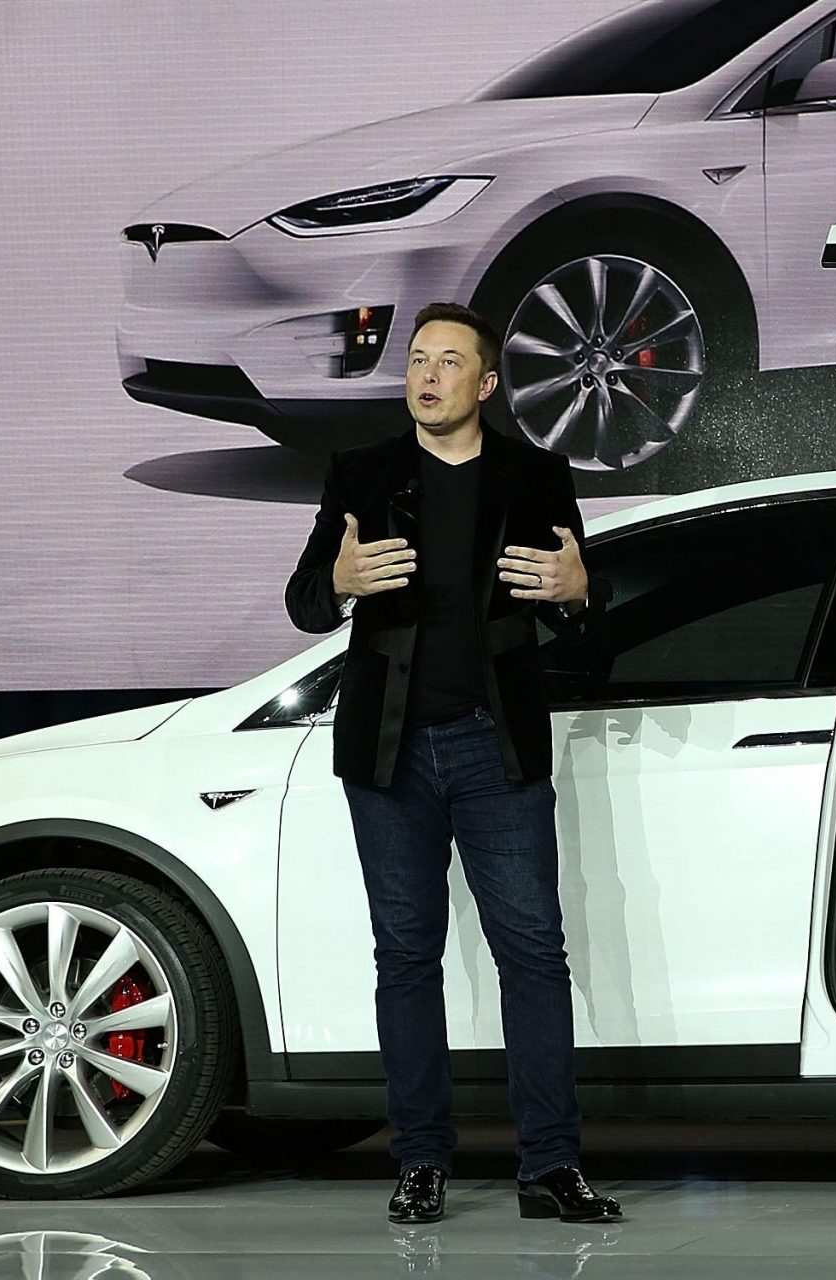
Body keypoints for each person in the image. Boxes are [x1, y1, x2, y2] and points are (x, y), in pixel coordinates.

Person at [284, 302, 621, 1226]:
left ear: (486, 383)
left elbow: (579, 620)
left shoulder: (536, 475)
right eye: (416, 360)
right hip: (389, 753)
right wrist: (337, 585)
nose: (427, 375)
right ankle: (421, 1162)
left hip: (496, 744)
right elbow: (307, 599)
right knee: (406, 959)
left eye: (448, 361)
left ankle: (551, 1166)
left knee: (535, 958)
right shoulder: (361, 475)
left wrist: (582, 595)